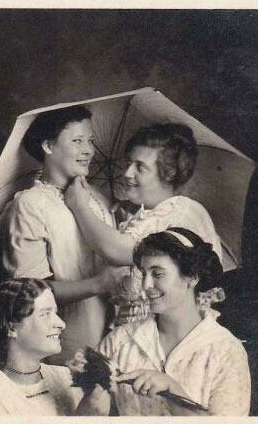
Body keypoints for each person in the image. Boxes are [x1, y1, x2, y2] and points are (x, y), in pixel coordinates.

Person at [63, 122, 222, 324]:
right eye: (128, 163)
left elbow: (116, 250)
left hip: (171, 331)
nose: (127, 173)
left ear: (169, 173)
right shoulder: (156, 214)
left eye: (140, 167)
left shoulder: (181, 212)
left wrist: (79, 206)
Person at [90, 229, 250, 415]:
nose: (146, 285)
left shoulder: (225, 351)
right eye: (144, 274)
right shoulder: (119, 341)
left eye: (157, 274)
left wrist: (174, 393)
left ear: (192, 277)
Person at [0, 106, 116, 360]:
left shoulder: (100, 197)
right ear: (48, 146)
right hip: (66, 336)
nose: (88, 150)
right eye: (77, 141)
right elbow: (28, 292)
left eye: (90, 141)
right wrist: (100, 283)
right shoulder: (30, 204)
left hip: (115, 330)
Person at [0, 278, 99, 415]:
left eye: (56, 313)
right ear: (11, 327)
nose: (61, 324)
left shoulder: (65, 379)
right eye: (45, 314)